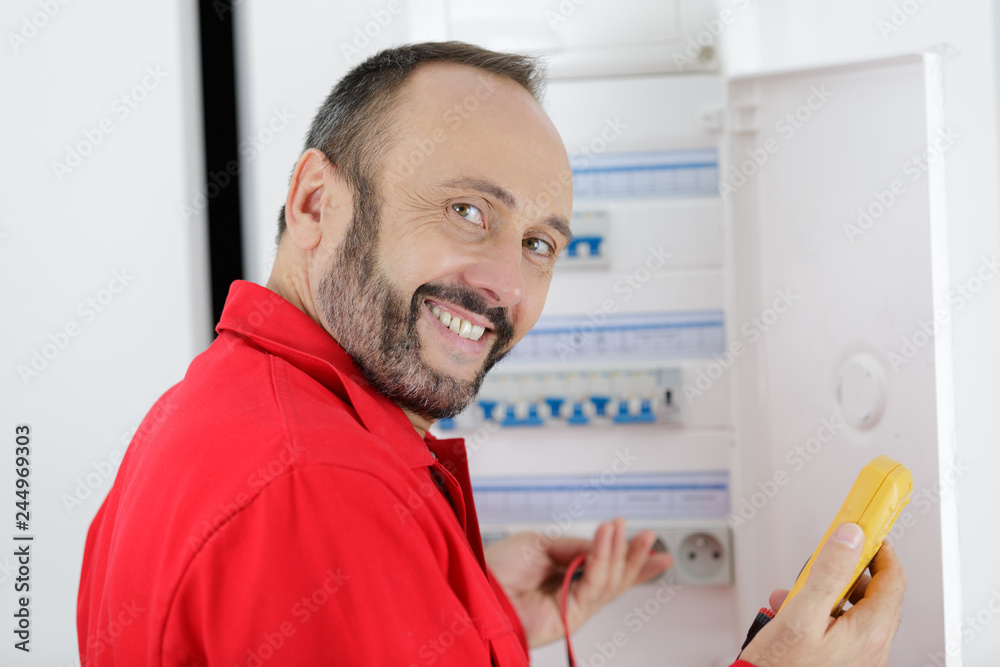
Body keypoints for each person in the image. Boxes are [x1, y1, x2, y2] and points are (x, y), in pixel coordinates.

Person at [77, 41, 906, 666]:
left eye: (541, 243)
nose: (505, 282)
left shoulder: (215, 407)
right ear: (314, 202)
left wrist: (465, 615)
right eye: (469, 211)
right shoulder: (316, 488)